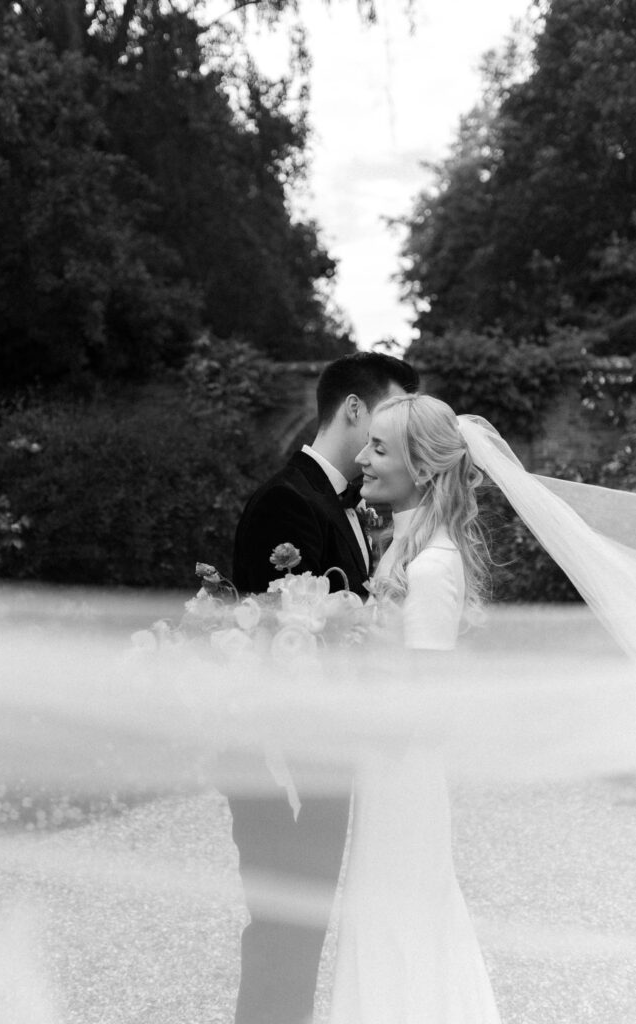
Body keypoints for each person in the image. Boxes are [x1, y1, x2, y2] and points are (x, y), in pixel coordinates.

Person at [229, 352, 419, 1024]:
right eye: (393, 413)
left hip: (322, 758)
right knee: (285, 932)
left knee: (302, 932)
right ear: (355, 409)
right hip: (287, 763)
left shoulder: (339, 501)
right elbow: (279, 647)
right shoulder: (288, 500)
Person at [329, 393, 501, 1024]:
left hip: (404, 775)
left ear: (423, 468)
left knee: (399, 917)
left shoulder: (431, 567)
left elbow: (430, 706)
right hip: (390, 772)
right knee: (387, 916)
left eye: (379, 448)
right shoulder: (407, 550)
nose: (362, 458)